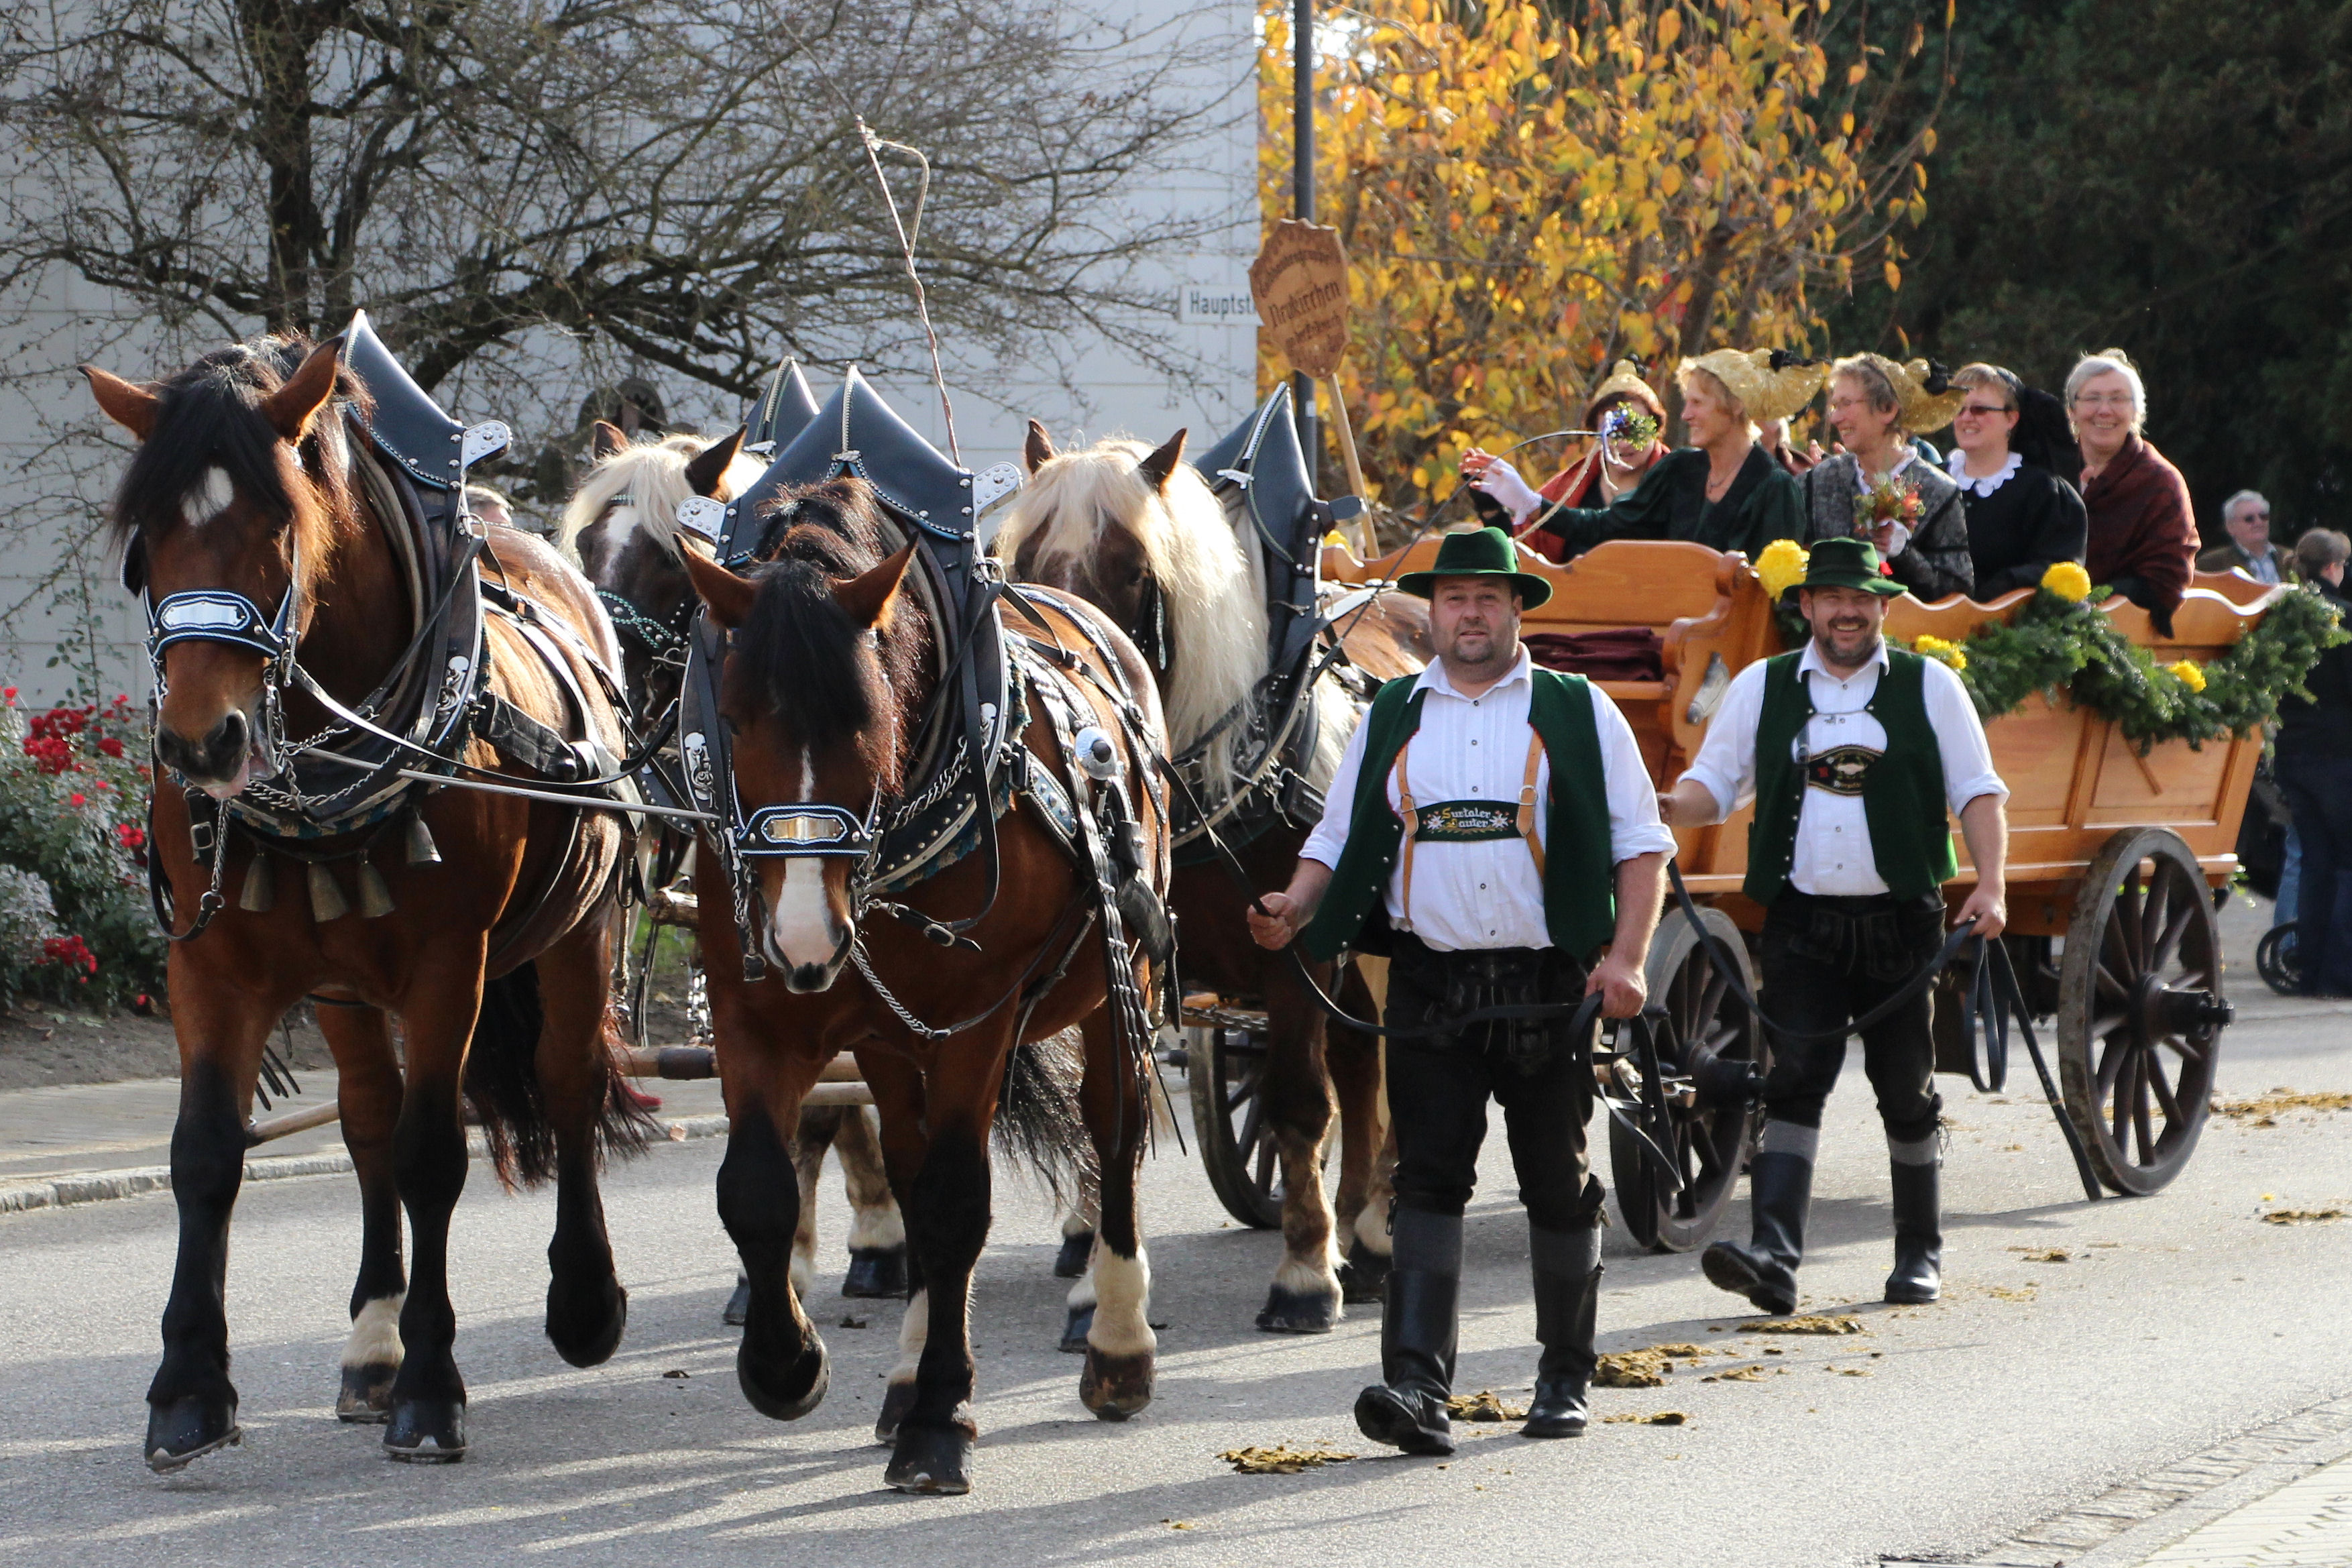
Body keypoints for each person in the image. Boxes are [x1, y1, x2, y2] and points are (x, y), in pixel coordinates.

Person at [1245, 526, 1674, 1455]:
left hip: (1543, 985)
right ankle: (1415, 1388)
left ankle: (1562, 1376)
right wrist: (1295, 902)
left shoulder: (1576, 708)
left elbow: (1640, 844)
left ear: (1516, 609)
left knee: (1556, 1187)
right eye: (1452, 600)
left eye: (1487, 599)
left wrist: (1627, 958)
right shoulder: (1392, 709)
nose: (1468, 615)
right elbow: (1333, 834)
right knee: (1426, 1184)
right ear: (1431, 613)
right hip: (1429, 981)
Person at [1657, 537, 2009, 1314]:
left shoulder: (1931, 686)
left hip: (1902, 921)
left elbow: (1978, 792)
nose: (1848, 612)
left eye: (1863, 600)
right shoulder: (1760, 685)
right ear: (1808, 606)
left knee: (1905, 1089)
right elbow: (1715, 785)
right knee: (1793, 1082)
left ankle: (1919, 1252)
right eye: (1833, 599)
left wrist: (1991, 883)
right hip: (1802, 920)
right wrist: (1668, 811)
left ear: (1883, 607)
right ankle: (1775, 1260)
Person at [1467, 349, 1818, 564]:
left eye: (1697, 403)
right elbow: (1607, 526)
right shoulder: (1679, 470)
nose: (1686, 415)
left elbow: (1772, 594)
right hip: (1662, 636)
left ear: (1735, 406)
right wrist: (1528, 501)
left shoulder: (1775, 488)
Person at [1460, 361, 1673, 563]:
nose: (1624, 444)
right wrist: (1492, 511)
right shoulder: (1566, 491)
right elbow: (1519, 559)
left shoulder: (1679, 483)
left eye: (1635, 430)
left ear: (1656, 429)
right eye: (1614, 431)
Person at [1800, 355, 1974, 600]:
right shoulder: (1816, 482)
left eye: (1846, 404)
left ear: (1888, 410)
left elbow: (1956, 593)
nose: (1835, 418)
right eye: (1834, 406)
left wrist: (1905, 553)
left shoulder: (1940, 492)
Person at [2070, 349, 2198, 633]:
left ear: (2136, 412)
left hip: (2131, 637)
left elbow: (2166, 579)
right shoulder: (2049, 474)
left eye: (2118, 399)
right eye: (2092, 398)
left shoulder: (2160, 482)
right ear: (2072, 411)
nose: (2105, 410)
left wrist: (2090, 604)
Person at [2274, 528, 2352, 997]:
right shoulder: (2341, 620)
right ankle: (2339, 973)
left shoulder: (2279, 619)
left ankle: (2307, 967)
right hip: (2339, 755)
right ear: (2333, 568)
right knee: (2346, 866)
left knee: (2313, 863)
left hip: (2291, 754)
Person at [1944, 363, 2088, 598]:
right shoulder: (1930, 484)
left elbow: (2057, 569)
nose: (1966, 418)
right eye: (1959, 409)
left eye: (1980, 409)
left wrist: (1997, 591)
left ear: (2011, 418)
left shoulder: (2044, 492)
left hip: (2014, 625)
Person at [2197, 491, 2294, 584]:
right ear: (2230, 527)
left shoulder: (2290, 557)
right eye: (2249, 519)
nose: (2258, 523)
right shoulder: (2212, 564)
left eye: (2263, 517)